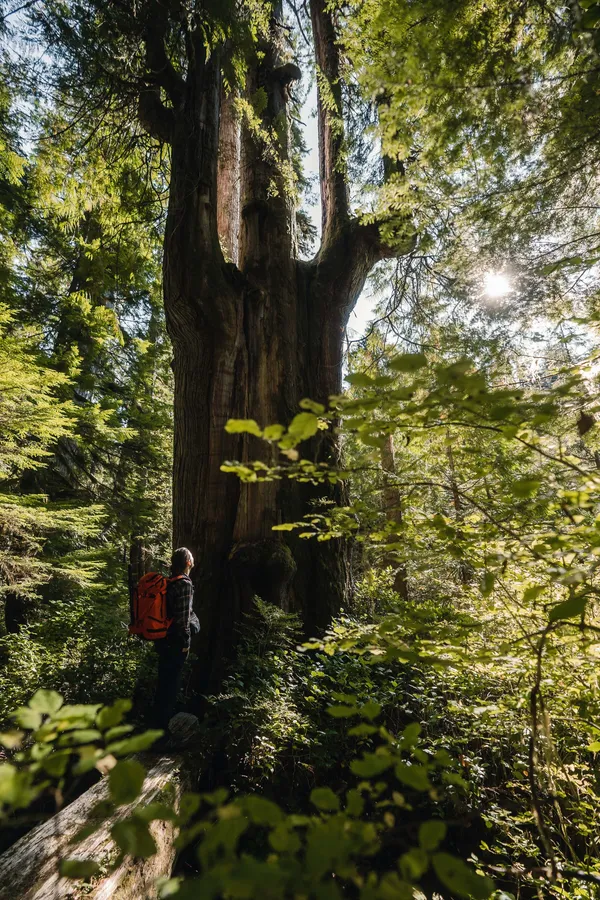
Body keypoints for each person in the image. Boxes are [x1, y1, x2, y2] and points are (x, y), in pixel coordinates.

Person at [152, 547, 200, 737]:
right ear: (188, 562)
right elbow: (182, 620)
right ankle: (162, 735)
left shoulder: (168, 582)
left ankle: (155, 729)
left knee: (163, 685)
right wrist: (185, 644)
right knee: (170, 688)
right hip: (174, 643)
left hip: (162, 641)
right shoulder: (184, 584)